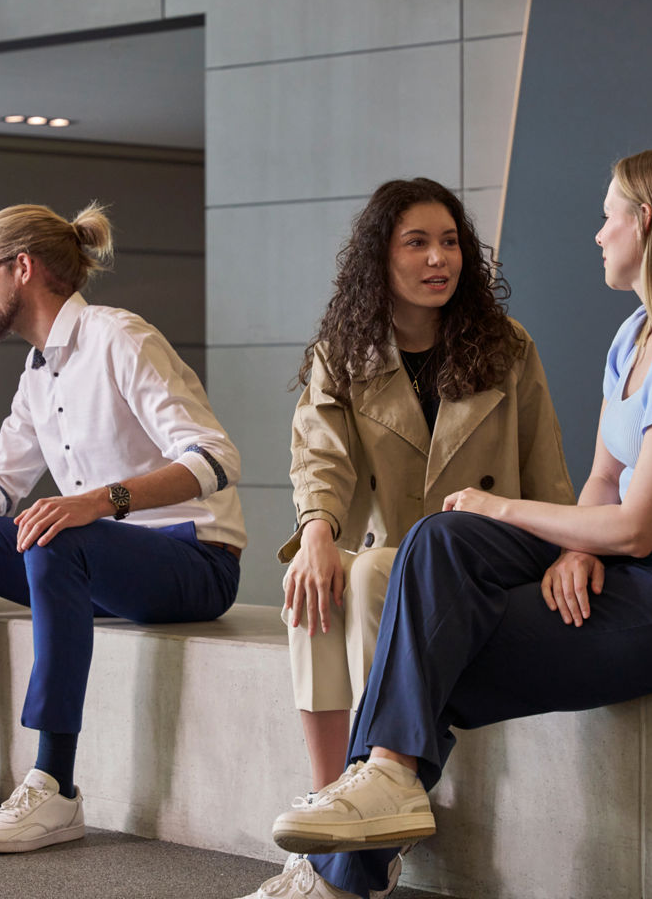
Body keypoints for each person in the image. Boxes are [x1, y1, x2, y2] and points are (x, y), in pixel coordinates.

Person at [261, 147, 652, 899]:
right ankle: (383, 785)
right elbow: (605, 485)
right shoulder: (635, 337)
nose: (598, 233)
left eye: (609, 215)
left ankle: (346, 863)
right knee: (436, 543)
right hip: (633, 566)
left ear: (645, 220)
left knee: (431, 637)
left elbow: (641, 527)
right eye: (417, 243)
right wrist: (576, 546)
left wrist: (506, 509)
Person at [0, 202, 246, 856]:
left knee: (57, 532)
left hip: (193, 560)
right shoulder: (38, 372)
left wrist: (99, 501)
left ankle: (55, 786)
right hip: (94, 563)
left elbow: (215, 459)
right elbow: (1, 485)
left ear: (22, 268)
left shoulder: (121, 338)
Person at [246, 178, 574, 898]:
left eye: (450, 242)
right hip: (394, 553)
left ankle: (357, 839)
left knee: (371, 576)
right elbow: (320, 455)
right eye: (417, 243)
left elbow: (548, 470)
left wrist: (574, 551)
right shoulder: (347, 350)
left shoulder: (507, 347)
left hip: (486, 567)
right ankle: (333, 801)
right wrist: (317, 531)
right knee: (320, 571)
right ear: (379, 259)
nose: (439, 259)